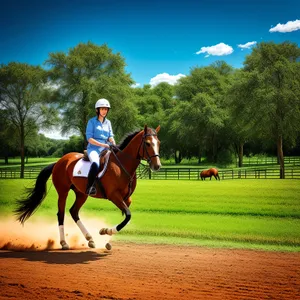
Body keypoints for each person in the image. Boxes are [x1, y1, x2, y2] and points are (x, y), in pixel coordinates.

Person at [85, 98, 116, 195]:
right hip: (93, 148)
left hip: (106, 148)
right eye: (102, 109)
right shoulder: (91, 122)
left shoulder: (108, 122)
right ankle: (90, 187)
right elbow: (89, 138)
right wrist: (102, 144)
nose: (104, 111)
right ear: (97, 110)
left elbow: (110, 136)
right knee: (96, 163)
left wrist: (114, 143)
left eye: (106, 109)